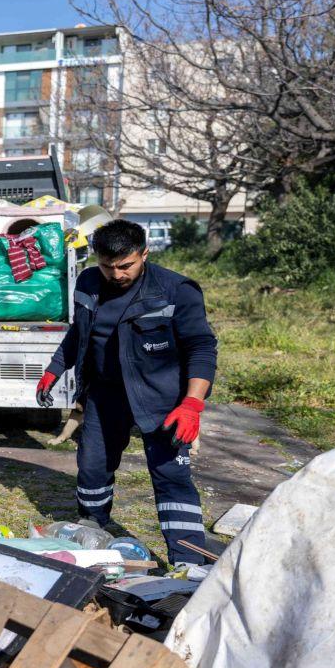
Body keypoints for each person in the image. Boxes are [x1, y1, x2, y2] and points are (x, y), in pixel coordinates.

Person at [35, 219, 218, 566]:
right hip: (105, 394)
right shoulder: (88, 282)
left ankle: (189, 560)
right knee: (92, 468)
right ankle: (92, 527)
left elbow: (202, 348)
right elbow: (79, 333)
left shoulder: (176, 291)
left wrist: (192, 404)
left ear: (144, 254)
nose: (116, 274)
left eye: (126, 266)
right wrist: (54, 369)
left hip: (162, 397)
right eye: (108, 266)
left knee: (172, 478)